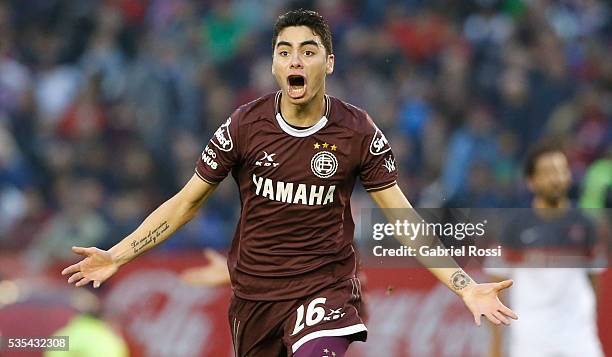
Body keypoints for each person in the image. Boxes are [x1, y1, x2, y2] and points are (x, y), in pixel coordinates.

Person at [62, 9, 517, 357]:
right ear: (275, 65)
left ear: (329, 63)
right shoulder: (244, 125)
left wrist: (463, 285)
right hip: (256, 298)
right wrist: (117, 255)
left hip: (326, 289)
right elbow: (186, 203)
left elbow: (402, 218)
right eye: (284, 51)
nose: (294, 59)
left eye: (307, 50)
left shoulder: (357, 132)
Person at [487, 141, 604, 357]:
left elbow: (594, 281)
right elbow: (494, 291)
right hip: (531, 342)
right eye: (548, 172)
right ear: (531, 181)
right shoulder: (513, 228)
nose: (557, 178)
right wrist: (495, 348)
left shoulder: (586, 225)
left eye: (561, 171)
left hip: (579, 341)